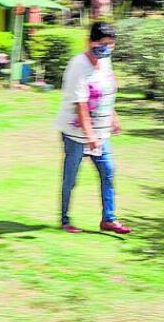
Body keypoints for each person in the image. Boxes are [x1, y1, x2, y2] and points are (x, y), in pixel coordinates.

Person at [55, 22, 132, 235]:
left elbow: (106, 93)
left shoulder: (105, 62)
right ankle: (65, 220)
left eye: (111, 44)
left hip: (100, 131)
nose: (107, 48)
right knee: (71, 177)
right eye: (103, 43)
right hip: (76, 132)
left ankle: (109, 219)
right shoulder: (78, 65)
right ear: (90, 42)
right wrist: (89, 135)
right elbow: (80, 103)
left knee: (108, 172)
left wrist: (113, 117)